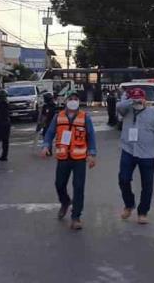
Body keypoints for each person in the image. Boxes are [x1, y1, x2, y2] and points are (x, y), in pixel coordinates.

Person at [42, 92, 97, 230]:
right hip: (63, 157)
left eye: (76, 99)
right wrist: (46, 146)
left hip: (79, 158)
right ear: (66, 101)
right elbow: (49, 133)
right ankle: (65, 201)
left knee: (78, 187)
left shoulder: (85, 117)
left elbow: (91, 137)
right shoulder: (58, 116)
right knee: (59, 184)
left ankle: (76, 217)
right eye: (70, 99)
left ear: (79, 102)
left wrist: (92, 154)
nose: (73, 101)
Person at [116, 88, 154, 224]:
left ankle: (143, 212)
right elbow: (119, 106)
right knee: (123, 179)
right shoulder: (127, 111)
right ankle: (129, 204)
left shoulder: (153, 114)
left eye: (140, 98)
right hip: (128, 150)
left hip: (147, 154)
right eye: (135, 99)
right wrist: (131, 100)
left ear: (145, 99)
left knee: (147, 185)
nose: (138, 101)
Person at [0, 89, 13, 162]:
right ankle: (4, 156)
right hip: (6, 123)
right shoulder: (6, 103)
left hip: (0, 123)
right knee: (5, 141)